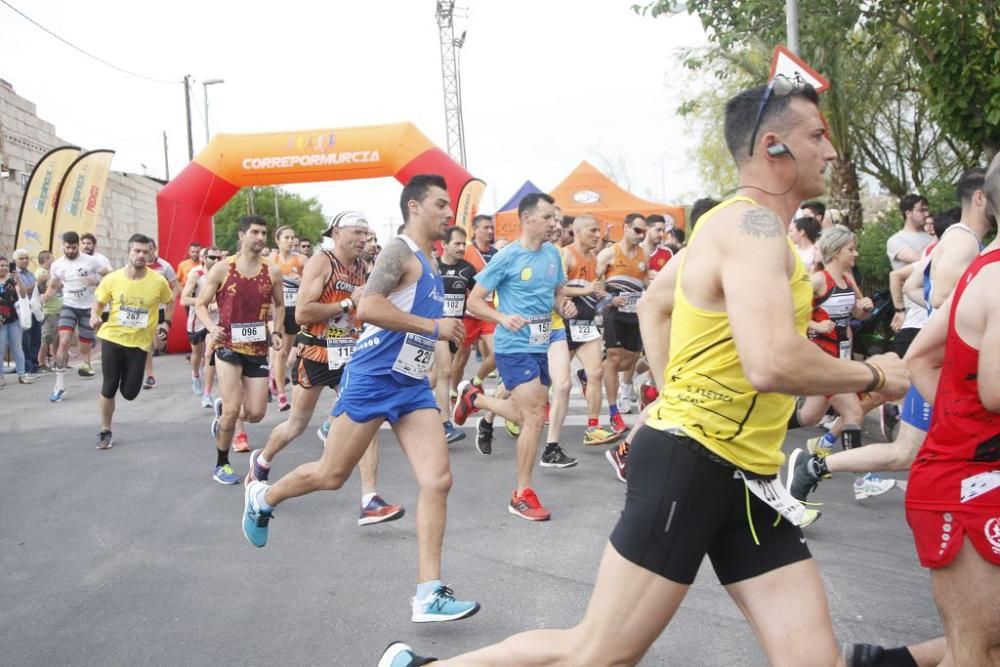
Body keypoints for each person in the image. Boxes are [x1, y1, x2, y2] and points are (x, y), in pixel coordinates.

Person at [379, 78, 911, 667]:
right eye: (818, 135)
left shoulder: (736, 227)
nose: (831, 151)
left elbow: (656, 302)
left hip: (746, 474)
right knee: (598, 655)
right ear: (773, 145)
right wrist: (874, 377)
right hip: (696, 465)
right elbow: (772, 361)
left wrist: (673, 390)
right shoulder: (751, 227)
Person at [241, 175, 479, 624]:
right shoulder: (398, 252)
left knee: (438, 480)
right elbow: (368, 308)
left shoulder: (428, 258)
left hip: (409, 384)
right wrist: (433, 329)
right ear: (414, 207)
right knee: (331, 475)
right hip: (371, 379)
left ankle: (428, 593)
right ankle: (264, 498)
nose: (450, 214)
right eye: (441, 205)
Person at [789, 168, 993, 506]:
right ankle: (817, 466)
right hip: (938, 363)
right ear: (980, 198)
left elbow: (912, 284)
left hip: (928, 358)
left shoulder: (954, 239)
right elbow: (943, 296)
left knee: (900, 449)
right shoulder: (963, 241)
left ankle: (816, 464)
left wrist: (903, 310)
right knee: (885, 436)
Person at [901, 154, 1000, 667]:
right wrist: (968, 435)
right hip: (969, 490)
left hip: (969, 474)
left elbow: (920, 357)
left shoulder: (982, 268)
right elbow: (995, 392)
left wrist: (959, 425)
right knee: (975, 654)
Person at [248, 210, 404, 526]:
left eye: (367, 233)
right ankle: (263, 460)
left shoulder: (365, 269)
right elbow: (304, 312)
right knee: (295, 426)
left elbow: (369, 309)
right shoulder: (322, 262)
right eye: (357, 233)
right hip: (318, 354)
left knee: (366, 418)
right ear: (336, 233)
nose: (364, 239)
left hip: (352, 355)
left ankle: (369, 499)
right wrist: (348, 303)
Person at [453, 192, 575, 521]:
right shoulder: (507, 257)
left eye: (555, 218)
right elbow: (474, 301)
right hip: (512, 346)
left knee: (528, 416)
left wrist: (563, 306)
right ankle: (522, 494)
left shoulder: (553, 254)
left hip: (541, 342)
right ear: (527, 220)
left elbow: (554, 294)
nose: (554, 223)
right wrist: (501, 318)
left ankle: (475, 399)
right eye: (548, 217)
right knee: (535, 416)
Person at [196, 216, 284, 484]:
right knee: (234, 409)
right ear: (241, 235)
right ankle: (221, 464)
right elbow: (201, 303)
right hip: (227, 345)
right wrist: (212, 328)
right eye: (255, 232)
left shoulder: (273, 271)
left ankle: (224, 415)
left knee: (256, 413)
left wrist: (277, 331)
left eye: (263, 233)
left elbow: (280, 305)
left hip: (257, 347)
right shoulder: (223, 269)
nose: (260, 237)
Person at [90, 234, 174, 449]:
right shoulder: (113, 279)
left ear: (151, 254)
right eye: (137, 251)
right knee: (109, 386)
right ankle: (105, 430)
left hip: (139, 344)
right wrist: (94, 316)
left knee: (129, 392)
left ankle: (123, 391)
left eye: (145, 251)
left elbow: (170, 302)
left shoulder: (158, 281)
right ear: (128, 253)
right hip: (112, 338)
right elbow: (98, 302)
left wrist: (166, 325)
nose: (141, 255)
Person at [562, 215, 617, 446]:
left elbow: (593, 289)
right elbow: (556, 289)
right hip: (563, 326)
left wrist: (609, 298)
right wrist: (584, 291)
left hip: (585, 325)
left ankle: (593, 427)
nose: (598, 235)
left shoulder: (595, 258)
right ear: (578, 231)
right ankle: (495, 411)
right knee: (548, 380)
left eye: (599, 230)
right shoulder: (565, 254)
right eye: (593, 230)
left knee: (596, 373)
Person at [44, 231, 111, 400]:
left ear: (78, 246)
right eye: (68, 248)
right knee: (64, 340)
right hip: (69, 306)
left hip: (88, 308)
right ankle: (59, 385)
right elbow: (54, 284)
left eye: (74, 248)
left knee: (84, 348)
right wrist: (46, 295)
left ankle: (87, 355)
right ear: (63, 246)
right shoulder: (57, 265)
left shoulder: (91, 261)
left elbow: (111, 276)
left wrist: (97, 282)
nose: (72, 251)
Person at [597, 213, 649, 426]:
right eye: (637, 230)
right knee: (615, 359)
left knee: (629, 361)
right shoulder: (610, 253)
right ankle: (613, 412)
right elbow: (593, 282)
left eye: (643, 232)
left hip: (634, 314)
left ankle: (594, 367)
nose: (640, 235)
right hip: (614, 312)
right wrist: (610, 298)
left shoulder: (643, 255)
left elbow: (646, 283)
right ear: (626, 228)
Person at [433, 225, 476, 444]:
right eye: (457, 243)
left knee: (433, 378)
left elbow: (478, 295)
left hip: (455, 330)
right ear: (444, 245)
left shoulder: (468, 269)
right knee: (446, 372)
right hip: (436, 328)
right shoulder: (433, 267)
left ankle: (397, 401)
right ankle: (444, 424)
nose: (462, 247)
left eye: (464, 243)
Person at [451, 214, 497, 394]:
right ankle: (454, 392)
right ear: (475, 230)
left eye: (491, 227)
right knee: (462, 356)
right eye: (485, 227)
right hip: (468, 312)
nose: (490, 231)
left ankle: (475, 382)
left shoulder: (497, 254)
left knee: (495, 354)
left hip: (488, 311)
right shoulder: (467, 251)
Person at [181, 247, 223, 406]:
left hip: (215, 321)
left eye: (219, 258)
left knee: (209, 353)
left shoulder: (223, 273)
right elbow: (184, 300)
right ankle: (195, 375)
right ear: (204, 259)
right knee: (197, 355)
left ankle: (207, 393)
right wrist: (204, 303)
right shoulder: (196, 274)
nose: (216, 261)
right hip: (197, 320)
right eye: (212, 257)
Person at [271, 225, 305, 412]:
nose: (291, 241)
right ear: (278, 240)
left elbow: (313, 284)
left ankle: (274, 375)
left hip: (294, 310)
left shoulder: (301, 260)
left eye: (293, 237)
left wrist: (301, 282)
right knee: (280, 353)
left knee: (288, 358)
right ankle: (282, 397)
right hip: (275, 311)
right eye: (287, 237)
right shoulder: (270, 261)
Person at [144, 238, 180, 389]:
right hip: (139, 309)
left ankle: (161, 341)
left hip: (158, 309)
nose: (146, 253)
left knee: (157, 344)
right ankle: (149, 375)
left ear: (155, 249)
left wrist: (169, 300)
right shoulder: (134, 265)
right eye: (143, 250)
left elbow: (176, 287)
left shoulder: (164, 266)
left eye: (149, 249)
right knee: (144, 344)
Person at [0, 255, 32, 387]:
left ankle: (21, 375)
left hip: (14, 318)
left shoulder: (13, 280)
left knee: (17, 347)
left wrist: (18, 279)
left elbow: (23, 294)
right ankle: (1, 377)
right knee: (0, 349)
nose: (4, 268)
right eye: (1, 265)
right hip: (1, 320)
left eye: (6, 265)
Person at [12, 249, 41, 375]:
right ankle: (27, 366)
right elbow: (22, 291)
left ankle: (35, 364)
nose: (25, 260)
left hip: (34, 308)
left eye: (26, 258)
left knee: (36, 337)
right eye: (21, 258)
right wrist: (36, 284)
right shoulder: (14, 275)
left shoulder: (30, 274)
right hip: (22, 309)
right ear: (15, 261)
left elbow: (36, 290)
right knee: (25, 339)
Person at [33, 250, 59, 372]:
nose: (53, 260)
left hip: (56, 309)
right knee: (46, 337)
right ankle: (41, 362)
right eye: (51, 258)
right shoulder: (41, 273)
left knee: (55, 337)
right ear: (46, 260)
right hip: (49, 310)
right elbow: (40, 288)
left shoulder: (49, 273)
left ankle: (56, 361)